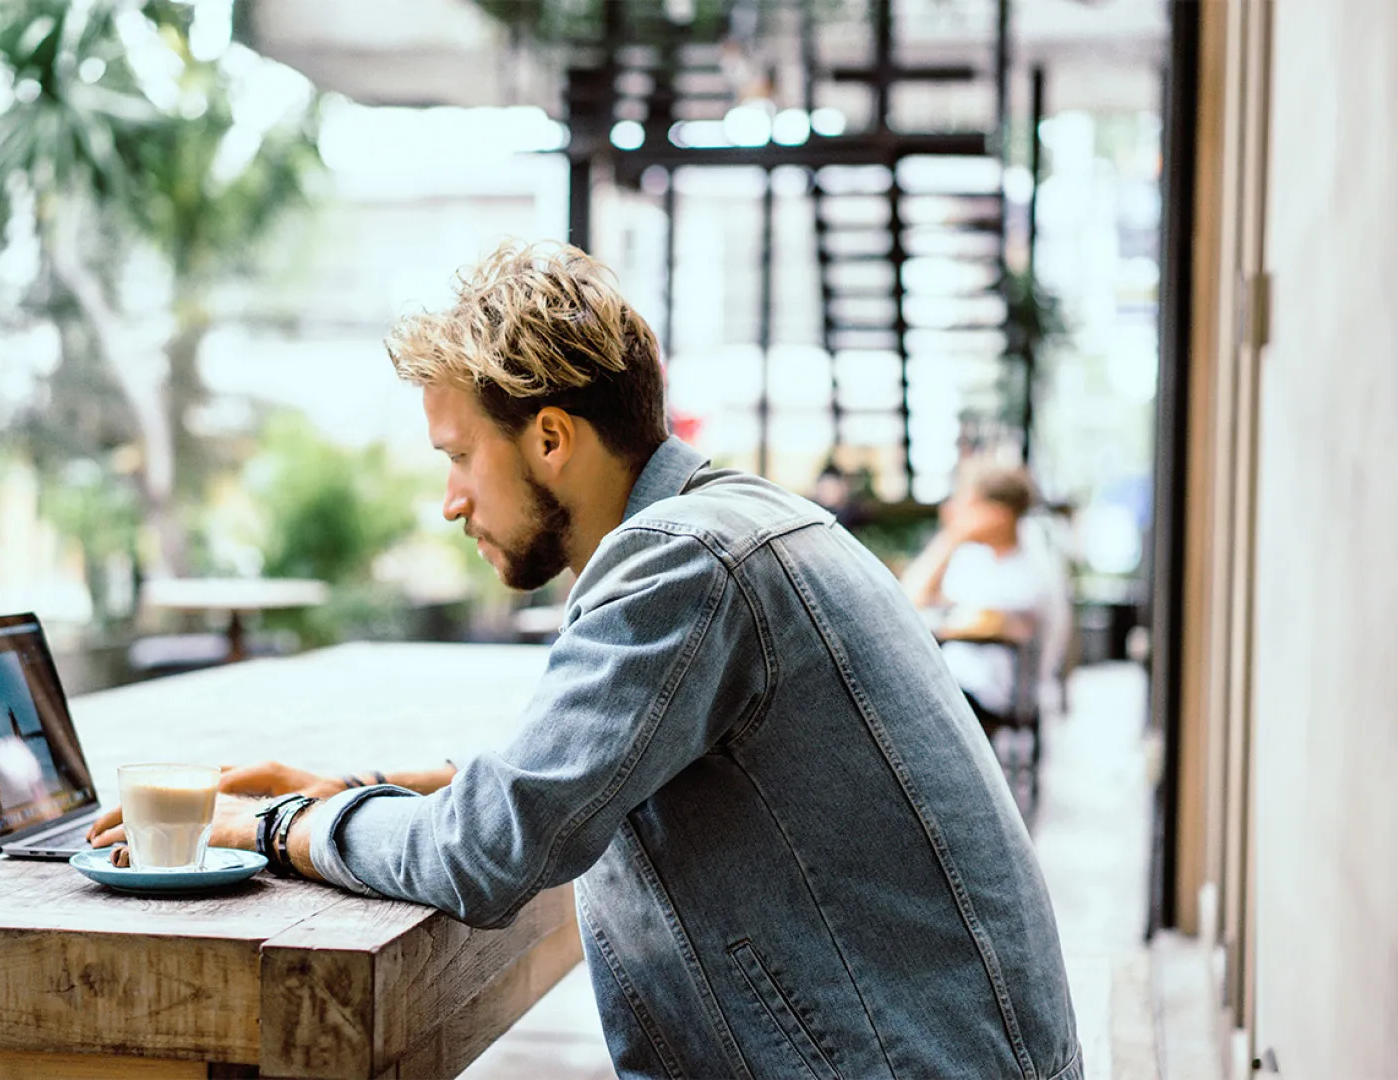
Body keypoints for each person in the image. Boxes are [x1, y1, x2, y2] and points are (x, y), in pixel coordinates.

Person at [88, 242, 1081, 1080]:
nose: (449, 501)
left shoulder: (684, 562)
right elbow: (582, 774)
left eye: (458, 456)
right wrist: (360, 785)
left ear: (551, 438)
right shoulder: (748, 524)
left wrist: (270, 825)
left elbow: (486, 854)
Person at [901, 464, 1056, 734]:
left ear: (997, 514)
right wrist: (950, 540)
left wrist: (954, 536)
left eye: (969, 505)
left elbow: (992, 625)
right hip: (956, 682)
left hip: (992, 692)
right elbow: (908, 599)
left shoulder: (1031, 569)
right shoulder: (973, 559)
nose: (955, 512)